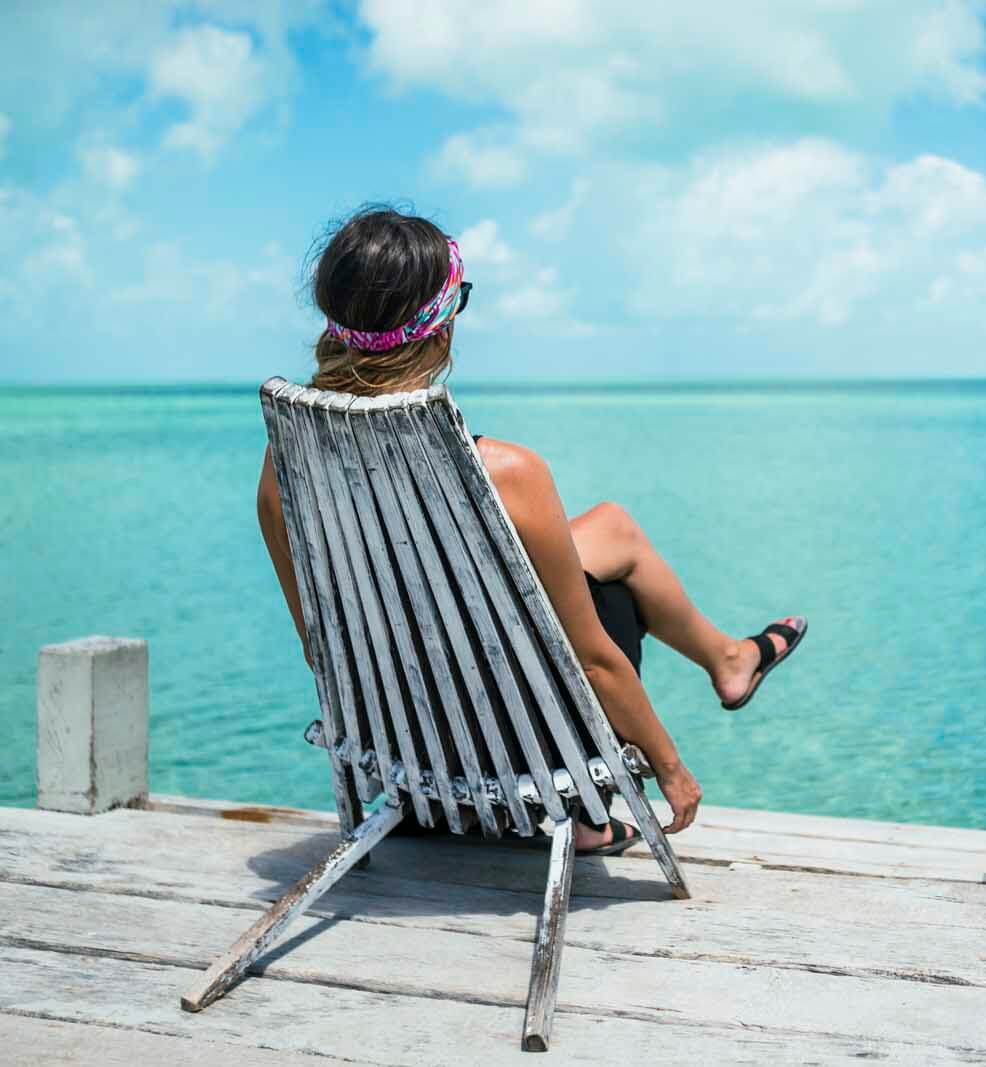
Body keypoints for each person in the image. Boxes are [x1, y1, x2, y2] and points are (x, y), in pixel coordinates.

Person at [256, 206, 806, 854]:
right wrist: (669, 766)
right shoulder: (509, 474)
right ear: (439, 333)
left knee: (610, 530)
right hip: (515, 748)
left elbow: (322, 648)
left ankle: (728, 658)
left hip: (404, 745)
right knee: (606, 600)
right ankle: (594, 808)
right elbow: (596, 662)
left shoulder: (280, 468)